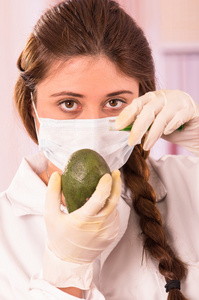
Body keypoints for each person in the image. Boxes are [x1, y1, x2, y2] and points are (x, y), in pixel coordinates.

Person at [0, 0, 199, 299]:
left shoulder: (189, 186)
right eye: (69, 103)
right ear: (32, 109)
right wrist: (64, 271)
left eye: (114, 102)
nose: (93, 127)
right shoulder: (5, 230)